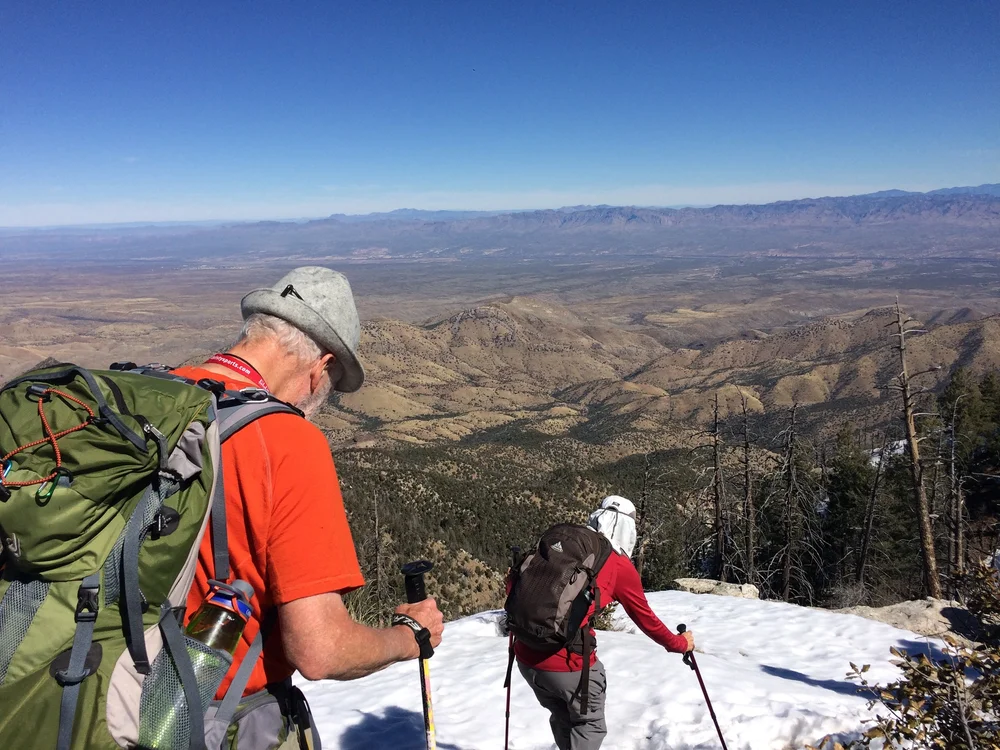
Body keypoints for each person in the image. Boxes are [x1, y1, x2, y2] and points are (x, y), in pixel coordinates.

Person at [175, 267, 444, 712]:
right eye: (332, 387)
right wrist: (410, 636)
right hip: (208, 718)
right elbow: (323, 651)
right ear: (323, 368)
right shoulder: (288, 441)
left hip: (95, 693)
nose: (322, 400)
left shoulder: (159, 395)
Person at [514, 495, 694, 750]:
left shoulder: (563, 545)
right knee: (590, 726)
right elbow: (646, 619)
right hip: (568, 664)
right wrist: (680, 644)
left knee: (564, 718)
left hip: (525, 656)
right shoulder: (618, 565)